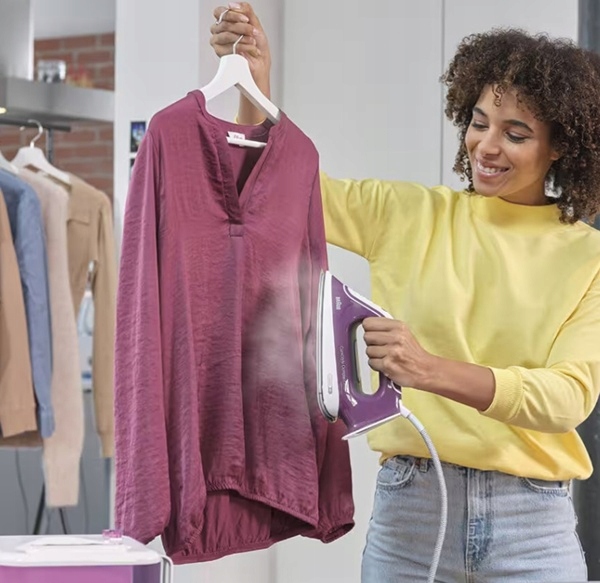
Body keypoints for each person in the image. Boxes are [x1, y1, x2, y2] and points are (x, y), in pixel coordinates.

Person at [210, 4, 600, 581]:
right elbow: (276, 190)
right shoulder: (407, 214)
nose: (486, 146)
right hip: (412, 512)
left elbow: (567, 398)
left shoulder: (587, 257)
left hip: (532, 528)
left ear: (560, 146)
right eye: (479, 123)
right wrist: (253, 81)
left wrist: (428, 369)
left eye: (515, 134)